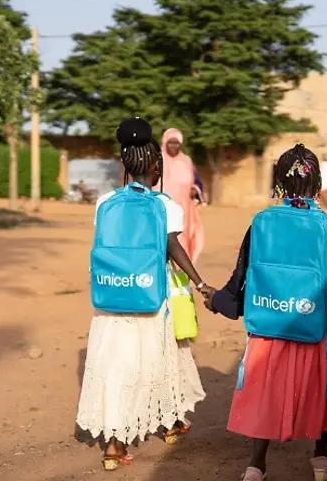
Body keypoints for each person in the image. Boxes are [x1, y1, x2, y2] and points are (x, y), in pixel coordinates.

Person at [203, 144, 327, 481]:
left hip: (269, 324)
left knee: (268, 388)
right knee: (322, 386)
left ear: (279, 183)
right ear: (317, 185)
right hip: (315, 323)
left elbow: (242, 278)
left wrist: (216, 300)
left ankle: (256, 465)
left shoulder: (261, 222)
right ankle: (320, 461)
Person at [75, 117, 212, 471]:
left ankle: (113, 446)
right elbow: (173, 248)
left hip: (111, 297)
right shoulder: (165, 205)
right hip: (151, 296)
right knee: (159, 358)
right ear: (155, 166)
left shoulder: (105, 202)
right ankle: (168, 423)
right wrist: (200, 284)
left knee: (115, 364)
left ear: (124, 164)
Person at [158, 128, 206, 264]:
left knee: (181, 240)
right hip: (161, 210)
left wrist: (195, 189)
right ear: (164, 142)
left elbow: (196, 182)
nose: (174, 146)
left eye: (177, 143)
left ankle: (180, 275)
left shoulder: (186, 161)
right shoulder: (157, 160)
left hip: (183, 211)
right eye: (170, 143)